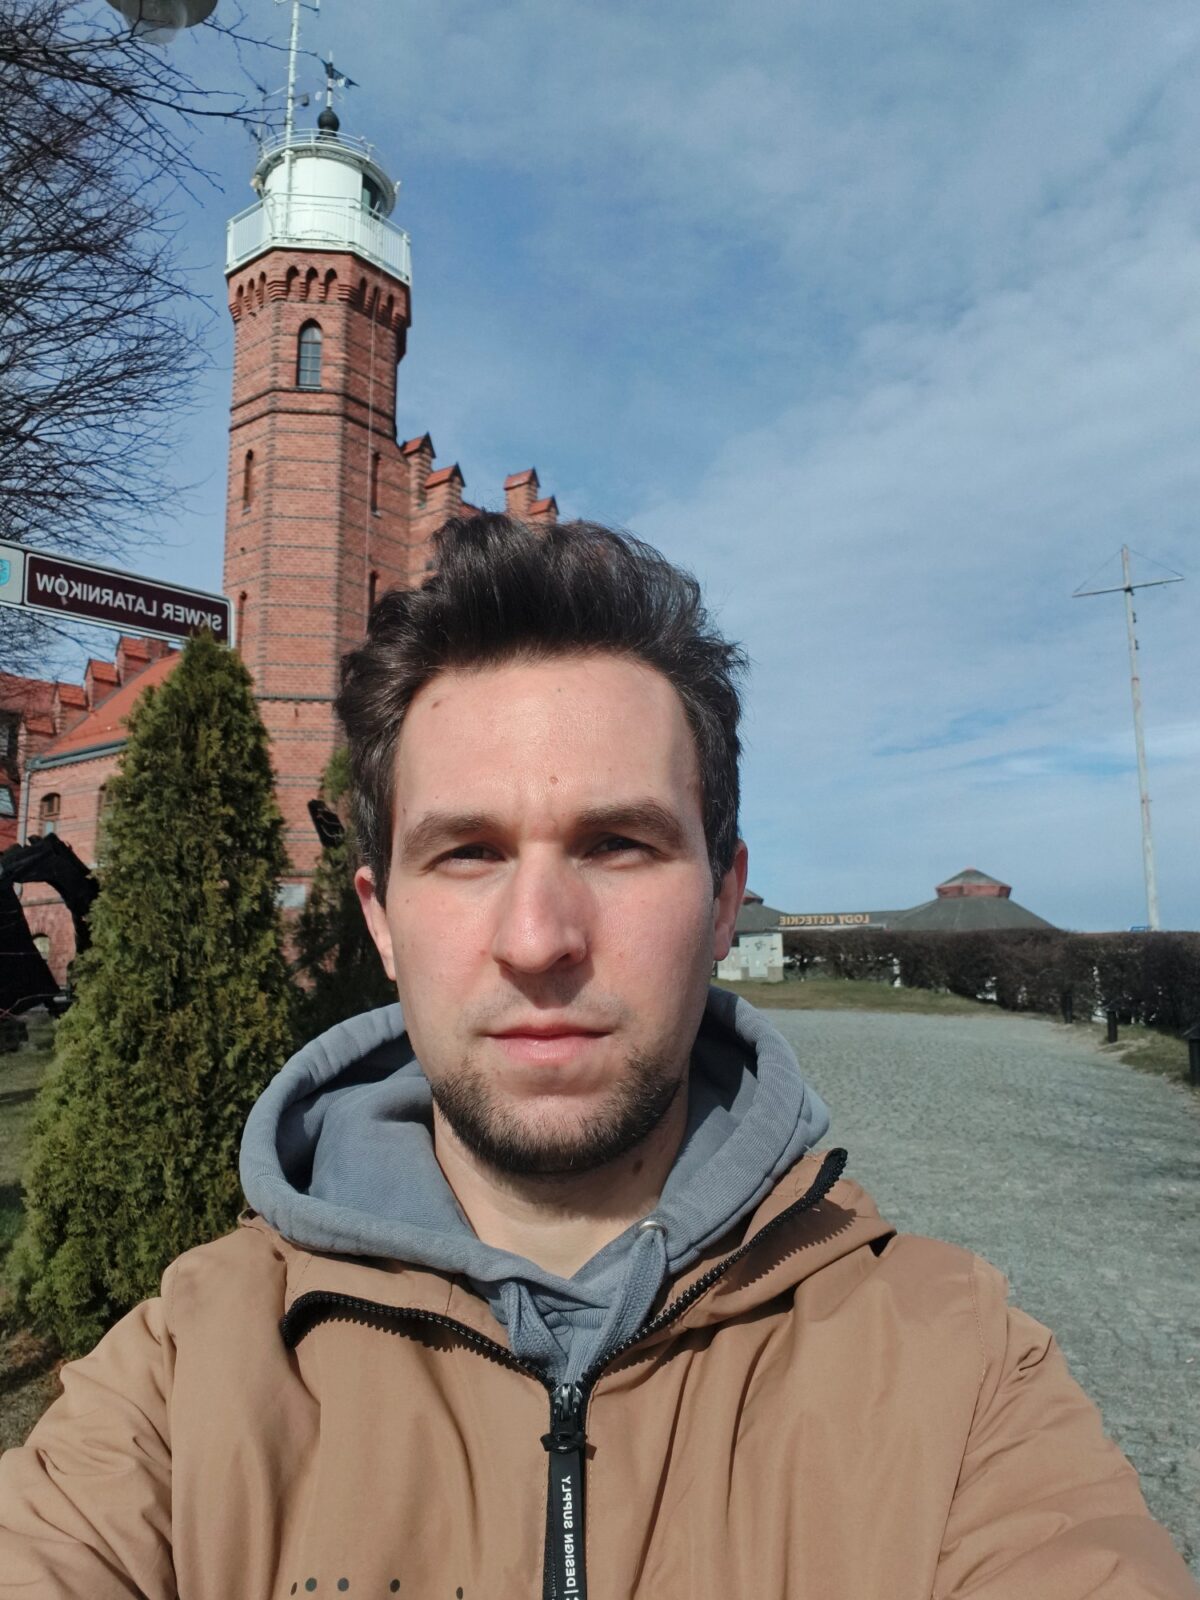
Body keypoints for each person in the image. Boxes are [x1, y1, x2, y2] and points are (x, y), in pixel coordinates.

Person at [0, 514, 1195, 1600]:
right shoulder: (183, 1381)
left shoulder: (957, 1372)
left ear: (723, 899)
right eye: (468, 852)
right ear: (381, 917)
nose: (539, 940)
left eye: (618, 844)